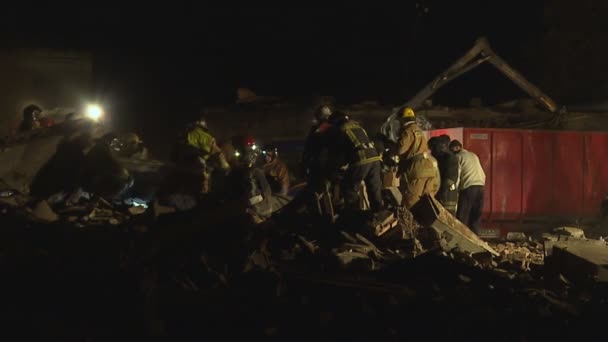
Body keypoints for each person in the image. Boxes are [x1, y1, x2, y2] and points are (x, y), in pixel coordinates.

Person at [326, 110, 384, 212]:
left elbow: (338, 152)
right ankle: (380, 215)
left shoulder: (340, 129)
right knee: (374, 191)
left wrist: (337, 168)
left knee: (349, 189)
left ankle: (355, 216)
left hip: (361, 159)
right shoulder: (358, 127)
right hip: (375, 159)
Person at [394, 107, 440, 209]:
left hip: (418, 170)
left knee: (410, 202)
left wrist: (392, 148)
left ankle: (409, 224)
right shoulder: (418, 130)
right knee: (427, 203)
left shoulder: (407, 131)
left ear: (402, 120)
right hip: (428, 167)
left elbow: (400, 150)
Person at [172, 114, 230, 194]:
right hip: (197, 162)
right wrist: (226, 167)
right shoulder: (204, 136)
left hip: (181, 165)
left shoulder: (185, 134)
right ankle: (203, 195)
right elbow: (217, 152)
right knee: (203, 179)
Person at [449, 139, 486, 233]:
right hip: (480, 186)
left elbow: (456, 175)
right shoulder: (473, 155)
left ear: (456, 148)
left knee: (462, 216)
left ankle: (461, 239)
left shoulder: (457, 157)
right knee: (475, 216)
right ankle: (475, 240)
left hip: (468, 188)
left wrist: (453, 190)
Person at [428, 135, 459, 215]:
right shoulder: (447, 158)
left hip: (446, 194)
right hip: (447, 193)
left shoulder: (448, 159)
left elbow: (448, 179)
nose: (431, 152)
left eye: (433, 149)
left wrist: (442, 193)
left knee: (447, 218)